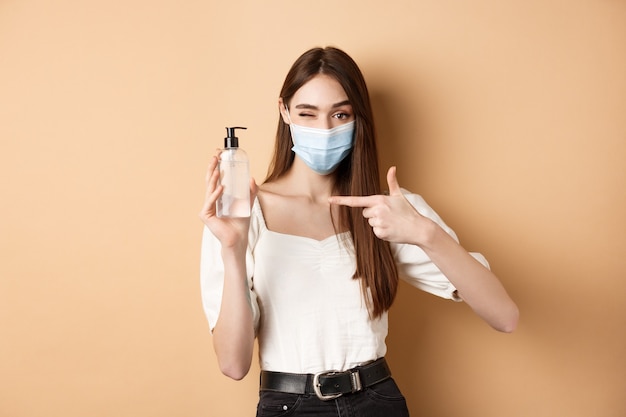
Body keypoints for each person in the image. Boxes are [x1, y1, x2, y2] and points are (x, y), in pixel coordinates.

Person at [199, 46, 519, 417]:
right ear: (284, 111)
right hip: (288, 404)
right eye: (307, 113)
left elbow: (504, 316)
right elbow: (233, 365)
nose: (324, 129)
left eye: (340, 114)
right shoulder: (239, 215)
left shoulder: (389, 209)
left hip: (377, 401)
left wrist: (425, 233)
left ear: (357, 118)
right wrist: (232, 251)